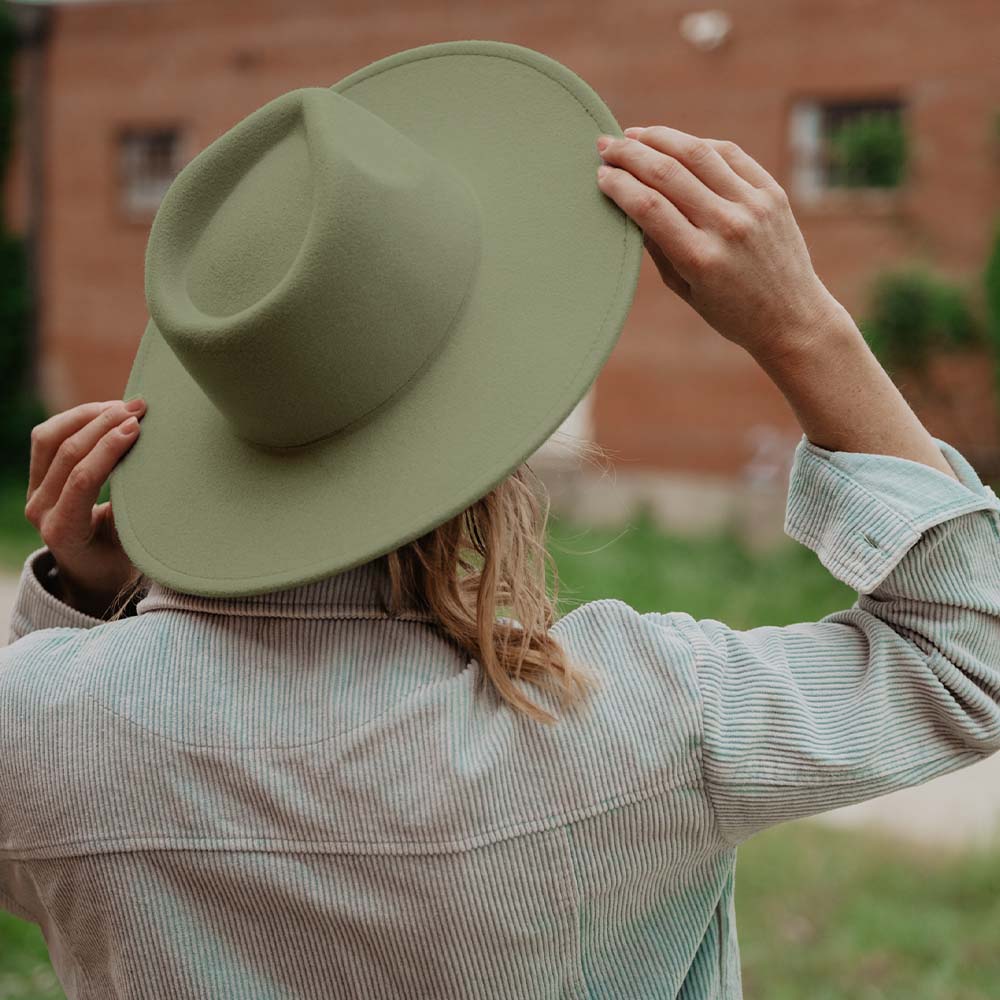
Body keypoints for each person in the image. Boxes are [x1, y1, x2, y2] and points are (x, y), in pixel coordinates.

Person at [4, 52, 1000, 1000]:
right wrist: (801, 326)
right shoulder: (638, 717)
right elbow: (965, 654)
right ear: (482, 432)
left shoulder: (38, 726)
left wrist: (79, 611)